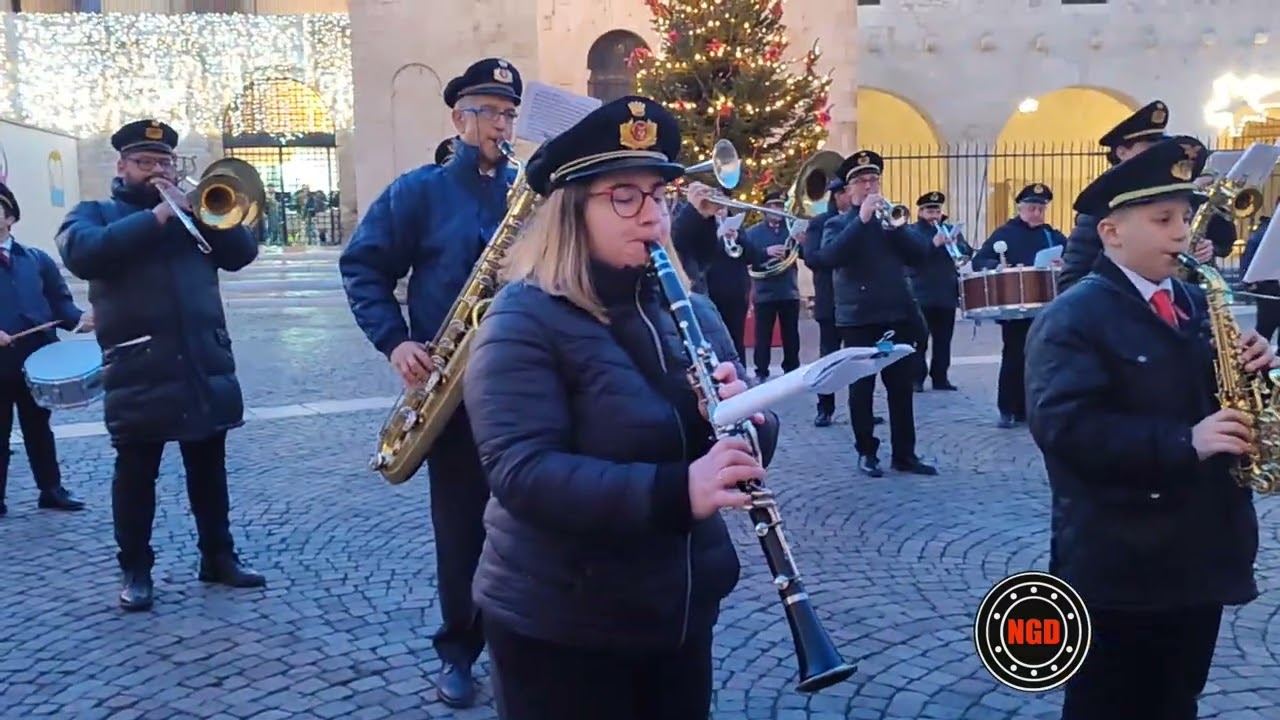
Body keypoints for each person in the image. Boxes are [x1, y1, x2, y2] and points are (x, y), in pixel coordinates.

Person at [462, 95, 780, 720]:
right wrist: (676, 492)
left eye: (657, 195)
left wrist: (754, 418)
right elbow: (522, 471)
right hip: (562, 621)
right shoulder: (523, 318)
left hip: (679, 608)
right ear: (571, 212)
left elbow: (739, 451)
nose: (651, 215)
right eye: (624, 195)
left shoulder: (693, 309)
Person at [1025, 137, 1265, 720]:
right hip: (1121, 565)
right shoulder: (1073, 317)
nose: (1182, 233)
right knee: (1108, 703)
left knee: (1177, 698)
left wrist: (1256, 367)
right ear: (1111, 233)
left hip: (1198, 554)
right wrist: (1185, 441)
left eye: (1183, 217)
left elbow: (1213, 394)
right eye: (1162, 220)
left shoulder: (1196, 300)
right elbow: (1067, 429)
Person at [338, 57, 524, 708]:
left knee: (534, 517)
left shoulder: (529, 195)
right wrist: (397, 341)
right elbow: (363, 266)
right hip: (451, 387)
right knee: (461, 527)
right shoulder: (417, 192)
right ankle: (458, 649)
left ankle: (523, 645)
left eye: (507, 114)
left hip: (527, 383)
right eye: (488, 113)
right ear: (457, 118)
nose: (500, 125)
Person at [56, 118, 264, 612]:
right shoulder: (95, 214)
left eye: (164, 162)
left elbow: (241, 255)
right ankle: (136, 569)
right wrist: (156, 217)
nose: (156, 171)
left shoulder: (196, 217)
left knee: (209, 472)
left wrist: (210, 216)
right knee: (136, 476)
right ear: (122, 166)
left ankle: (218, 557)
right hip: (138, 366)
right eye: (145, 162)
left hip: (202, 362)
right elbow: (82, 254)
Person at [818, 151, 936, 477]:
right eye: (862, 181)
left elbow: (920, 254)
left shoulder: (893, 222)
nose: (870, 186)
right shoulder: (837, 223)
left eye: (874, 180)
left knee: (900, 388)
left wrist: (896, 228)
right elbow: (830, 257)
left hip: (896, 314)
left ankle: (905, 454)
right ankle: (866, 452)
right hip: (858, 317)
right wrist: (862, 220)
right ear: (850, 189)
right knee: (862, 389)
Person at [1059, 102, 1230, 291]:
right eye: (1163, 219)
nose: (1157, 155)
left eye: (1185, 218)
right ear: (1122, 152)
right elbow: (1072, 282)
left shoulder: (1175, 197)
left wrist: (1205, 250)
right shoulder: (1102, 207)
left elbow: (1225, 241)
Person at [0, 181, 90, 517]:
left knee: (39, 428)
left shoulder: (37, 260)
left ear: (10, 217)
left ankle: (51, 490)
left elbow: (60, 306)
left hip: (38, 359)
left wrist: (82, 319)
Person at [971, 183, 1068, 428]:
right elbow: (980, 260)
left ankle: (1031, 407)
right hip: (1015, 306)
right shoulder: (1005, 233)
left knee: (1042, 358)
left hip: (1046, 305)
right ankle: (1008, 409)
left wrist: (1062, 262)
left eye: (1041, 208)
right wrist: (997, 267)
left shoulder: (1052, 235)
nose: (1036, 213)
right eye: (1032, 208)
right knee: (1014, 356)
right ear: (1020, 208)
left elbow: (1072, 259)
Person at [905, 191, 969, 392]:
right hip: (921, 293)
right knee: (919, 340)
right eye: (930, 211)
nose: (934, 215)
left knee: (943, 341)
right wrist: (934, 244)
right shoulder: (912, 232)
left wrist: (958, 245)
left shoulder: (949, 230)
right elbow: (911, 257)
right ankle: (916, 379)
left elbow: (966, 252)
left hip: (946, 293)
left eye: (937, 211)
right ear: (921, 212)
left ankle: (940, 377)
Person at [801, 178, 850, 426]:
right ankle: (825, 407)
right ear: (837, 196)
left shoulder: (861, 220)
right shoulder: (819, 224)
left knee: (858, 358)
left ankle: (861, 409)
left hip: (856, 303)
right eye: (846, 192)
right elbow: (811, 258)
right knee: (829, 357)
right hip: (830, 299)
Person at [742, 190, 801, 382]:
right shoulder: (753, 233)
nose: (777, 210)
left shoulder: (791, 230)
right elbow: (747, 258)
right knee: (763, 335)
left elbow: (805, 255)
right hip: (764, 291)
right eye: (773, 206)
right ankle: (761, 371)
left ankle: (792, 368)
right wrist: (766, 252)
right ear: (764, 209)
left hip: (788, 289)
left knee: (791, 333)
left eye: (780, 206)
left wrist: (802, 242)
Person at [1241, 213, 1279, 341]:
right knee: (1264, 331)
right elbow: (1249, 254)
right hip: (1269, 289)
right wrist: (1249, 282)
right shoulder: (1265, 231)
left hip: (1269, 288)